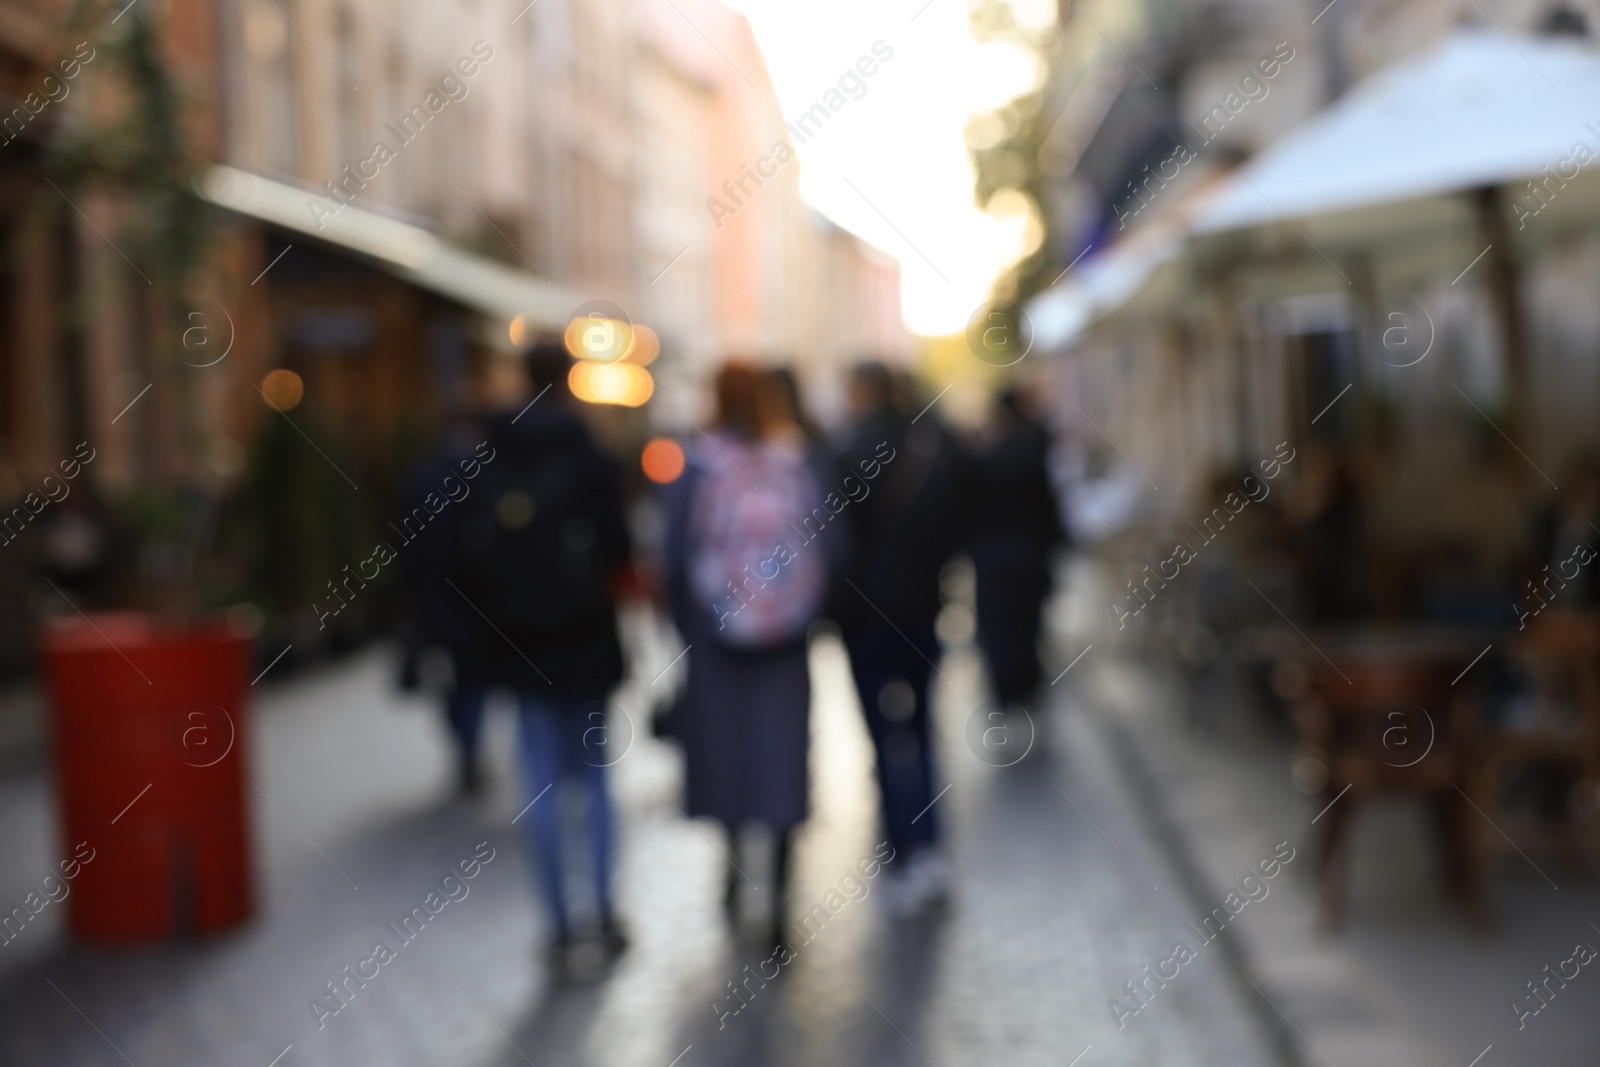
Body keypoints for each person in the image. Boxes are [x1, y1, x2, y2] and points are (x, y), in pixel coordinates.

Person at [443, 342, 633, 965]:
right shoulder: (589, 454)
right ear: (569, 376)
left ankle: (557, 923)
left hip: (519, 643)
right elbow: (620, 551)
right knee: (596, 779)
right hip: (584, 638)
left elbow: (465, 557)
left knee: (542, 785)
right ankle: (602, 911)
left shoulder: (491, 453)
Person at [660, 362, 835, 946]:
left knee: (727, 763)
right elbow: (833, 547)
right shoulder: (797, 462)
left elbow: (671, 556)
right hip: (784, 645)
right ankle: (781, 901)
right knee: (782, 762)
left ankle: (735, 877)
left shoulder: (698, 465)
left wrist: (688, 626)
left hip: (716, 644)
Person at [832, 361, 972, 915]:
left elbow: (834, 541)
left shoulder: (847, 452)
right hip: (921, 611)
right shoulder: (934, 451)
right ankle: (929, 849)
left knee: (882, 737)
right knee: (921, 730)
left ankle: (901, 851)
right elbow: (957, 529)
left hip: (865, 619)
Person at [397, 415, 489, 795]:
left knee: (450, 678)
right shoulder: (480, 480)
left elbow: (406, 541)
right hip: (474, 597)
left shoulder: (423, 477)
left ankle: (464, 743)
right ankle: (469, 743)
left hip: (435, 596)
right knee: (472, 677)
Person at [969, 385, 1067, 712]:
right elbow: (1049, 507)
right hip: (1027, 556)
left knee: (999, 629)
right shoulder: (1033, 451)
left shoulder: (985, 456)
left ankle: (1008, 691)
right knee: (1027, 626)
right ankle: (1026, 688)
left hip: (994, 559)